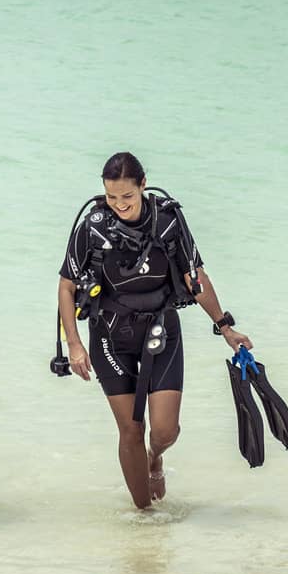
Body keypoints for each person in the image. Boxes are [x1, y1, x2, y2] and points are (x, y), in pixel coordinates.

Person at [57, 152, 252, 509]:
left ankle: (156, 456)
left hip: (162, 331)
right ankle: (144, 519)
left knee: (164, 430)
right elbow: (66, 286)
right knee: (130, 429)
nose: (120, 205)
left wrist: (225, 327)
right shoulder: (93, 226)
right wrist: (74, 344)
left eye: (127, 197)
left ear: (143, 186)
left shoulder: (168, 221)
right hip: (110, 336)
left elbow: (196, 278)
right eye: (112, 197)